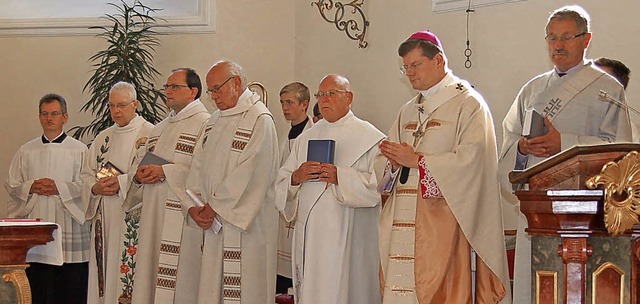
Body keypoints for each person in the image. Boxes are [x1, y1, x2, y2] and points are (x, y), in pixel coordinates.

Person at [498, 6, 633, 303]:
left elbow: (620, 152)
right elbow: (507, 141)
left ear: (586, 40)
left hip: (584, 213)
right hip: (537, 207)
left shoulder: (607, 88)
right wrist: (521, 148)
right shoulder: (532, 89)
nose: (558, 45)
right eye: (552, 38)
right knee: (533, 287)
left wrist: (566, 142)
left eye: (567, 37)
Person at [378, 31, 510, 303]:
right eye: (406, 67)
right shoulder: (408, 110)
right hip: (402, 218)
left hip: (443, 223)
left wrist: (418, 162)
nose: (409, 73)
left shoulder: (469, 104)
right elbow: (387, 160)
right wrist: (391, 164)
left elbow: (473, 163)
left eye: (415, 65)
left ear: (438, 61)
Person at [275, 74, 385, 304]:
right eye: (321, 94)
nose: (324, 99)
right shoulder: (307, 137)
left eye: (332, 93)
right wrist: (296, 177)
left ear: (349, 98)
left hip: (347, 237)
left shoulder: (370, 138)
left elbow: (379, 188)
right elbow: (281, 181)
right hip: (310, 238)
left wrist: (341, 177)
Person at [183, 60, 279, 303]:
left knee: (245, 290)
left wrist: (215, 206)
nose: (213, 97)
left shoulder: (259, 119)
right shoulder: (214, 121)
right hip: (214, 225)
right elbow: (198, 165)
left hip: (245, 227)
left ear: (236, 82)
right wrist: (193, 205)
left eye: (217, 89)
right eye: (211, 91)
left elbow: (253, 172)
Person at [127, 68, 211, 304]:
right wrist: (140, 175)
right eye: (167, 87)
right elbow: (140, 163)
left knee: (182, 282)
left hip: (184, 217)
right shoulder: (160, 128)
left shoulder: (205, 124)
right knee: (152, 277)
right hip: (154, 214)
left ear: (193, 91)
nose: (168, 91)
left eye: (175, 87)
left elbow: (205, 171)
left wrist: (166, 171)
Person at [5, 93, 90, 304]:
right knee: (40, 288)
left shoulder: (80, 150)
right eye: (44, 114)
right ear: (39, 116)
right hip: (37, 228)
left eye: (54, 113)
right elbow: (13, 184)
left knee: (70, 288)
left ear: (65, 117)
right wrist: (31, 187)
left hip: (69, 225)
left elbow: (88, 186)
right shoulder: (27, 150)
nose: (49, 118)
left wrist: (59, 188)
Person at [81, 82, 154, 304]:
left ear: (136, 104)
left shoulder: (151, 133)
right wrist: (95, 188)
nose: (116, 111)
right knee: (105, 273)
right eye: (112, 106)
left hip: (133, 217)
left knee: (128, 273)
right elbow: (86, 175)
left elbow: (150, 174)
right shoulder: (103, 137)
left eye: (121, 105)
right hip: (105, 217)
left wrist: (121, 183)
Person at [276, 82, 314, 295]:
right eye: (282, 102)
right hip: (283, 209)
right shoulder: (286, 135)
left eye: (289, 102)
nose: (284, 107)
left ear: (304, 104)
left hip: (301, 212)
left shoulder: (312, 134)